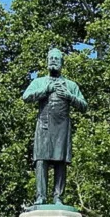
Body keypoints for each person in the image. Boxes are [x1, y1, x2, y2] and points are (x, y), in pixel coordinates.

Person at [22, 47, 87, 205]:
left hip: (62, 127)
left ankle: (58, 197)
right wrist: (46, 90)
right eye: (50, 58)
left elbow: (84, 105)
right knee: (41, 160)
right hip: (44, 126)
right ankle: (41, 196)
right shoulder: (39, 82)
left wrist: (70, 96)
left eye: (56, 59)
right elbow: (26, 97)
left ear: (62, 63)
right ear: (46, 62)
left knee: (60, 161)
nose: (53, 61)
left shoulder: (70, 85)